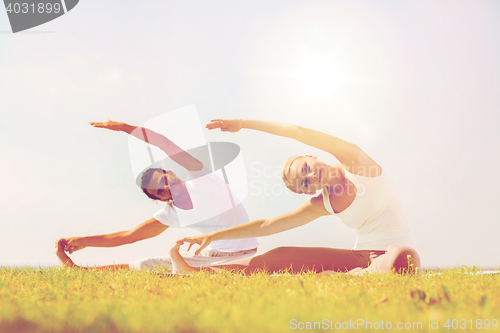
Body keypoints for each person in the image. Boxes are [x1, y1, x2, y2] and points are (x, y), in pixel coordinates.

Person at [175, 118, 420, 275]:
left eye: (305, 168)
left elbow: (298, 131)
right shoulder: (322, 203)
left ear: (310, 156)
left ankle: (361, 275)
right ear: (310, 192)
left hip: (394, 253)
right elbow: (267, 226)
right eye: (305, 183)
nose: (311, 175)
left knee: (403, 256)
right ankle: (199, 274)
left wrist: (243, 123)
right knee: (280, 255)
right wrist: (211, 236)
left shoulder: (357, 163)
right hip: (360, 256)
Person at [56, 120, 258, 271]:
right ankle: (82, 272)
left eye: (164, 181)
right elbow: (128, 237)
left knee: (210, 274)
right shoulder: (171, 213)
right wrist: (83, 241)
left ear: (171, 173)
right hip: (209, 256)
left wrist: (123, 127)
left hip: (244, 253)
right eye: (160, 192)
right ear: (160, 199)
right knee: (146, 265)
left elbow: (163, 143)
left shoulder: (201, 177)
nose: (167, 189)